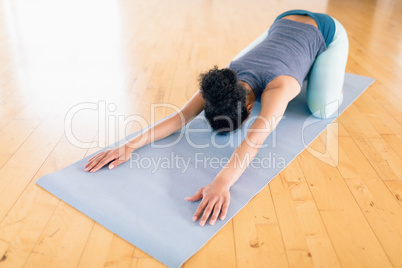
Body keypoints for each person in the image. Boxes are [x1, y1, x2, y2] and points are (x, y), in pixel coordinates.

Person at [84, 10, 349, 226]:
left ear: (250, 106)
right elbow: (180, 117)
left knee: (322, 109)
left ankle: (324, 71)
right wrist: (130, 145)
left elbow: (254, 141)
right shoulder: (222, 77)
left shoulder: (279, 88)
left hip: (326, 30)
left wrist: (222, 182)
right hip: (283, 20)